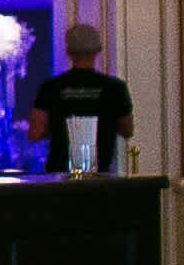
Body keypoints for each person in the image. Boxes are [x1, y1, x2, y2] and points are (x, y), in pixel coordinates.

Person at [26, 24, 134, 173]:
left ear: (68, 51)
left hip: (59, 175)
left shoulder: (50, 87)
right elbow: (127, 130)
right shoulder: (115, 87)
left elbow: (35, 133)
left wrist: (58, 127)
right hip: (100, 175)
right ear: (98, 50)